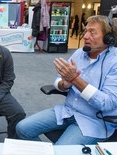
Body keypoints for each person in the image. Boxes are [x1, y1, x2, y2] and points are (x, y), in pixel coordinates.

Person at [15, 15, 117, 145]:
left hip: (93, 121)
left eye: (92, 32)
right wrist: (64, 84)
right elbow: (58, 81)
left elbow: (107, 103)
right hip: (67, 112)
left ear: (109, 38)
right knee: (22, 128)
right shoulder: (80, 53)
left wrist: (75, 79)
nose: (85, 36)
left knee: (60, 154)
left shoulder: (114, 61)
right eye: (86, 31)